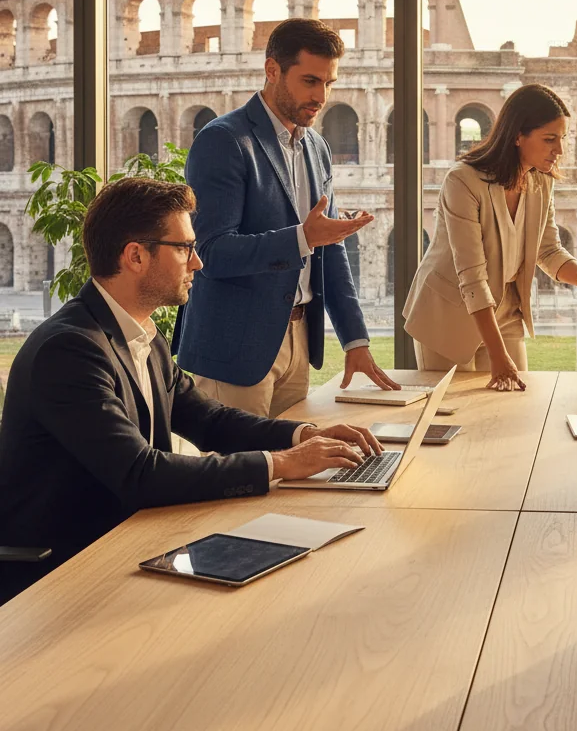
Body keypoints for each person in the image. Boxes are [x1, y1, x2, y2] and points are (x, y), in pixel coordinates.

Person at [0, 178, 382, 605]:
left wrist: (301, 436)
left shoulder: (140, 332)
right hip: (65, 576)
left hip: (133, 543)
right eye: (184, 248)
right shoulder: (69, 350)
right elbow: (139, 474)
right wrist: (280, 464)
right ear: (136, 256)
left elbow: (209, 420)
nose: (198, 262)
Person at [173, 18, 399, 418]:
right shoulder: (223, 140)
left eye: (329, 83)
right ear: (272, 70)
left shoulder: (317, 146)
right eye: (310, 81)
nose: (321, 96)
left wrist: (355, 340)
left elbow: (329, 249)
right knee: (238, 476)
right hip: (235, 347)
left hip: (298, 341)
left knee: (291, 472)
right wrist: (302, 238)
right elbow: (210, 252)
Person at [403, 83, 577, 390]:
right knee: (452, 416)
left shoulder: (541, 182)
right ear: (517, 135)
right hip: (447, 315)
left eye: (562, 138)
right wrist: (498, 355)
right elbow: (472, 277)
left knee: (510, 407)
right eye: (549, 139)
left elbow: (548, 250)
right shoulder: (462, 181)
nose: (560, 150)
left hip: (505, 314)